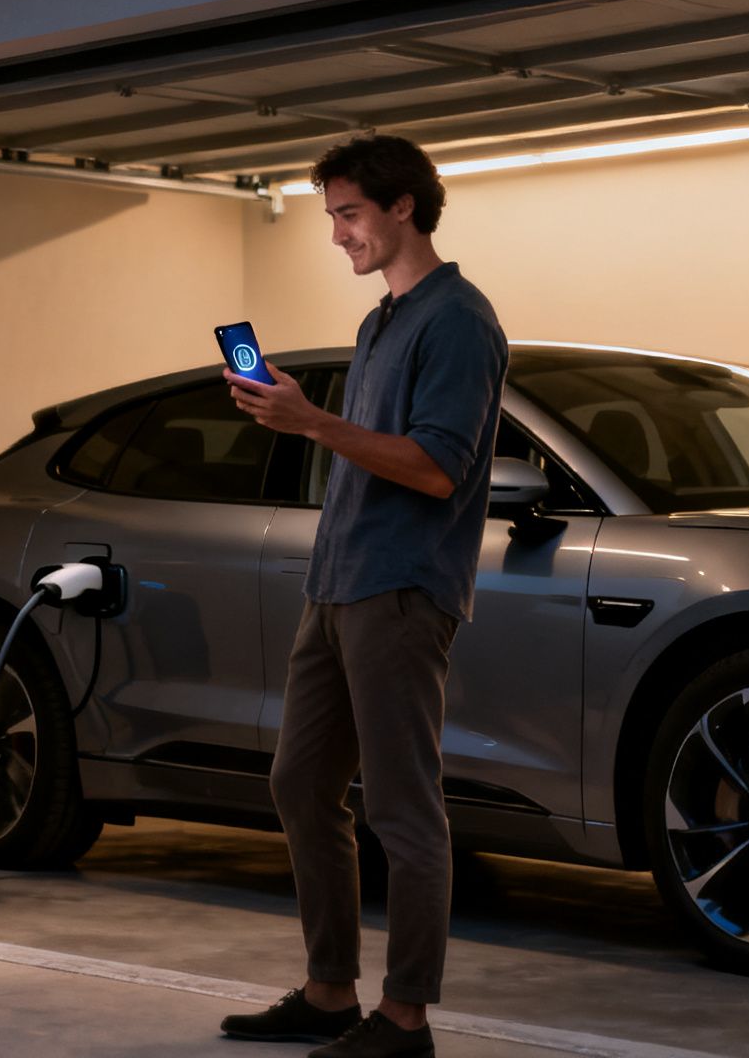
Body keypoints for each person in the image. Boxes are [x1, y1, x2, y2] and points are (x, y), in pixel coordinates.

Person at [216, 134, 507, 1058]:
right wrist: (297, 418)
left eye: (348, 213)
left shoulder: (457, 321)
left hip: (400, 592)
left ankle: (406, 1018)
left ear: (402, 209)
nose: (338, 234)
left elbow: (433, 470)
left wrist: (312, 419)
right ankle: (331, 991)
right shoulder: (382, 320)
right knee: (301, 782)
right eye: (333, 215)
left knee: (402, 808)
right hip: (335, 586)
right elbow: (362, 451)